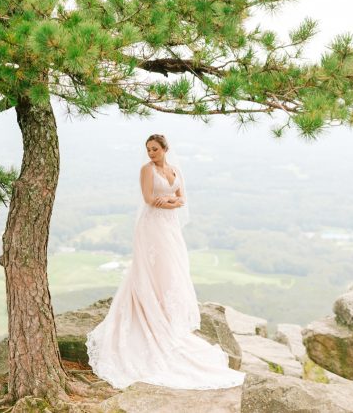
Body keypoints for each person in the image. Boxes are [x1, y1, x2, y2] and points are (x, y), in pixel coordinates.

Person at [84, 134, 245, 390]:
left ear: (165, 149)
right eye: (148, 149)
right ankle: (148, 312)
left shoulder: (175, 169)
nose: (151, 153)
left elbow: (182, 199)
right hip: (151, 226)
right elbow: (150, 200)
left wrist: (171, 201)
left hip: (169, 227)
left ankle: (166, 315)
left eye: (155, 149)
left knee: (172, 269)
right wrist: (172, 202)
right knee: (153, 268)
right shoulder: (146, 171)